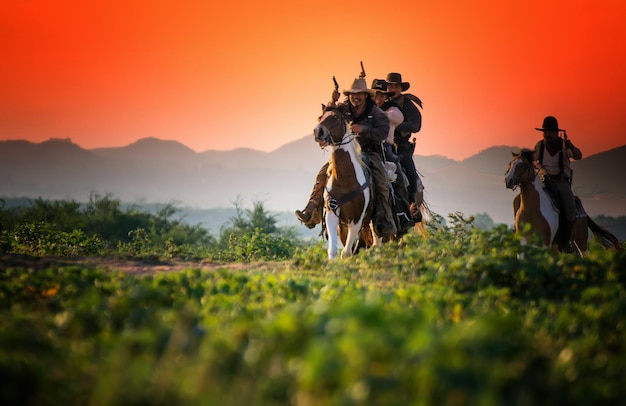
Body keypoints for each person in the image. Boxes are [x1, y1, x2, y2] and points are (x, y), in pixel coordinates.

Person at [295, 77, 397, 236]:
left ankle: (383, 219)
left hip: (370, 152)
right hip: (346, 152)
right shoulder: (344, 108)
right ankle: (311, 211)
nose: (355, 97)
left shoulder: (375, 112)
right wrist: (332, 102)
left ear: (365, 95)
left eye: (359, 94)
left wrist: (363, 129)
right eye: (351, 94)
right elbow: (329, 117)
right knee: (322, 175)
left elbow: (383, 132)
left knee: (381, 181)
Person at [533, 115, 583, 252]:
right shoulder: (539, 145)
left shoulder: (564, 146)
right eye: (545, 132)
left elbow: (578, 156)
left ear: (556, 133)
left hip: (561, 182)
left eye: (550, 132)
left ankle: (566, 238)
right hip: (544, 181)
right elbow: (533, 160)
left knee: (569, 205)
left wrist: (571, 147)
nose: (547, 134)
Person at [370, 78, 414, 232]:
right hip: (365, 147)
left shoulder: (394, 108)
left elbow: (398, 118)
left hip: (388, 148)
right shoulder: (363, 107)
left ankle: (404, 212)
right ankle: (314, 207)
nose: (378, 98)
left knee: (400, 177)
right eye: (376, 95)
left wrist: (373, 112)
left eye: (382, 95)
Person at [386, 72, 425, 221]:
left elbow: (416, 124)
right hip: (378, 145)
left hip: (401, 147)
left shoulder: (407, 105)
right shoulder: (380, 101)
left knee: (410, 173)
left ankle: (412, 205)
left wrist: (397, 125)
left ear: (400, 88)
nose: (392, 88)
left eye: (395, 86)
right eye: (390, 85)